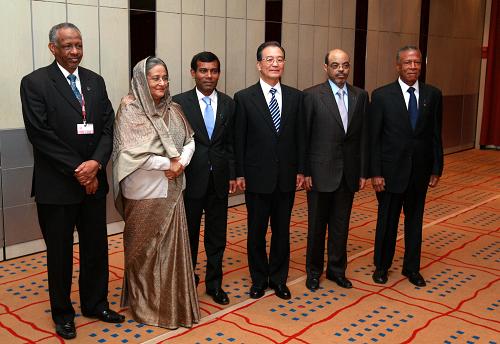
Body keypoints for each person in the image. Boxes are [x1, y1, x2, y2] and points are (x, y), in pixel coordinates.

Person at [20, 22, 124, 340]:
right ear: (53, 48)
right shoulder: (35, 82)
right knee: (60, 254)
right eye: (68, 46)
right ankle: (63, 314)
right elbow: (40, 134)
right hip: (58, 186)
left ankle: (95, 304)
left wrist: (95, 165)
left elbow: (108, 126)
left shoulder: (95, 81)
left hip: (93, 183)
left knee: (96, 249)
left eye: (78, 45)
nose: (75, 51)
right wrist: (81, 169)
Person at [112, 57, 200, 328]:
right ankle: (146, 306)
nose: (162, 83)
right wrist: (169, 164)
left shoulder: (174, 109)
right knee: (144, 251)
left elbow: (190, 140)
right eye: (155, 78)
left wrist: (181, 163)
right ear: (142, 80)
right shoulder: (130, 109)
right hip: (143, 191)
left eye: (165, 77)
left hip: (171, 188)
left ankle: (172, 304)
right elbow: (130, 154)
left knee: (171, 251)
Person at [234, 41, 305, 300]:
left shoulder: (297, 97)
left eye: (280, 59)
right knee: (256, 232)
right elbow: (239, 139)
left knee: (282, 232)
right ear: (259, 65)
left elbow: (300, 138)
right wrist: (239, 173)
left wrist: (301, 169)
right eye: (269, 59)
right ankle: (258, 279)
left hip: (286, 177)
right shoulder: (244, 98)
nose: (275, 64)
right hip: (256, 177)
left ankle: (278, 279)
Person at [370, 46, 443, 287]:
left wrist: (436, 167)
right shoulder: (381, 96)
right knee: (387, 222)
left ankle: (412, 268)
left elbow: (435, 134)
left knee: (415, 222)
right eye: (407, 63)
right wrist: (376, 172)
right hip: (390, 173)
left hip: (420, 172)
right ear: (398, 66)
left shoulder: (433, 95)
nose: (413, 67)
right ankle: (381, 266)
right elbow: (375, 138)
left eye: (417, 63)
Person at [172, 52, 236, 306]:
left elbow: (231, 143)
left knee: (216, 236)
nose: (209, 76)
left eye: (213, 71)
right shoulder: (178, 103)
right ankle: (187, 285)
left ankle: (215, 284)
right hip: (190, 181)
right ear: (193, 73)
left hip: (219, 180)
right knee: (188, 237)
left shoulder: (229, 103)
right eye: (203, 71)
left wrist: (232, 174)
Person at [303, 49, 369, 291]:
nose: (340, 70)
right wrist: (305, 171)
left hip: (348, 173)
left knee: (341, 225)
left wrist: (363, 171)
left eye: (345, 65)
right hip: (319, 174)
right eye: (335, 65)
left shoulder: (361, 96)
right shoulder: (311, 96)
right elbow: (305, 138)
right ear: (326, 68)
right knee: (316, 227)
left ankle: (336, 270)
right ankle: (313, 272)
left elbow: (363, 137)